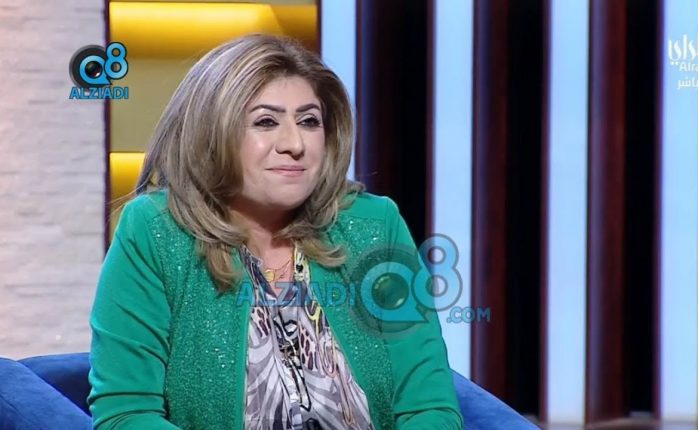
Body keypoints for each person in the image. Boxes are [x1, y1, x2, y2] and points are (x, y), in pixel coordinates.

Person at [87, 34, 463, 430]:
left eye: (309, 121)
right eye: (266, 122)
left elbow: (429, 407)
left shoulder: (374, 224)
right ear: (211, 133)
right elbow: (126, 415)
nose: (295, 144)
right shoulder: (156, 230)